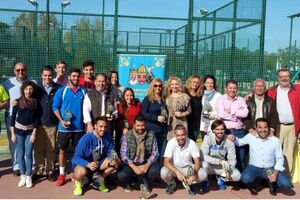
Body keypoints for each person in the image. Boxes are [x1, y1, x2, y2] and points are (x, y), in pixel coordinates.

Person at [228, 118, 292, 195]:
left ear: (268, 128)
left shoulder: (275, 140)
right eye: (260, 127)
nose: (263, 130)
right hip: (254, 167)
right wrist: (233, 138)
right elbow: (239, 142)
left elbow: (279, 158)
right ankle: (252, 186)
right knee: (245, 178)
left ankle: (271, 183)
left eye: (265, 127)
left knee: (286, 184)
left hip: (269, 169)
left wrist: (274, 174)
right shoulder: (251, 137)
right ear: (256, 128)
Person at [52, 68, 86, 186]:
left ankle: (75, 173)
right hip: (64, 128)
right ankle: (62, 174)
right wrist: (61, 120)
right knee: (62, 150)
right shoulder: (62, 91)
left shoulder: (83, 91)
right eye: (73, 76)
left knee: (78, 151)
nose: (76, 78)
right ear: (69, 77)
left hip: (79, 128)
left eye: (78, 76)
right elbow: (55, 107)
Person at [72, 117, 120, 196]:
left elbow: (111, 151)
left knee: (115, 162)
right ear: (95, 126)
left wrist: (114, 158)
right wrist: (88, 164)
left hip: (98, 163)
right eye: (100, 126)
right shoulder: (86, 139)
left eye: (105, 127)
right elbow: (76, 158)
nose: (103, 129)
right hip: (84, 164)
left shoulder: (107, 135)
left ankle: (98, 181)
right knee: (82, 172)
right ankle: (78, 183)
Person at [3, 62, 36, 176]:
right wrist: (8, 104)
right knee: (14, 142)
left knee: (30, 143)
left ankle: (31, 166)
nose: (20, 72)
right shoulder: (7, 83)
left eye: (22, 69)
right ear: (14, 71)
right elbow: (4, 100)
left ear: (26, 70)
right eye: (18, 70)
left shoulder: (33, 82)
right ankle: (16, 166)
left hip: (29, 119)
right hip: (12, 117)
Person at [266, 68, 300, 175]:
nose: (284, 79)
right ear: (278, 78)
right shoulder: (271, 91)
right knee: (272, 152)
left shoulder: (298, 89)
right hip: (276, 127)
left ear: (290, 77)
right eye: (282, 77)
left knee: (288, 153)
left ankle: (286, 177)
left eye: (287, 76)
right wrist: (250, 93)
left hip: (293, 126)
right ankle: (270, 176)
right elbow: (259, 91)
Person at [117, 116, 159, 195]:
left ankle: (145, 181)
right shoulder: (127, 135)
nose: (140, 128)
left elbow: (155, 152)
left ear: (145, 125)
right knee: (121, 175)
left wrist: (147, 165)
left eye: (142, 125)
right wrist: (134, 167)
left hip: (145, 161)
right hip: (132, 162)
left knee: (155, 171)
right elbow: (123, 154)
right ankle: (129, 182)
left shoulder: (151, 134)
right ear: (134, 125)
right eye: (138, 125)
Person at [161, 125, 207, 195]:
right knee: (163, 172)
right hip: (175, 167)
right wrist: (177, 172)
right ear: (175, 135)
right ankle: (172, 184)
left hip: (188, 168)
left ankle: (189, 183)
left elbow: (197, 161)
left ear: (186, 134)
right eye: (178, 135)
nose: (180, 137)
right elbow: (166, 162)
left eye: (183, 135)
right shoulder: (171, 142)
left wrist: (193, 174)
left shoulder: (192, 143)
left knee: (203, 174)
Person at [33, 66, 60, 182]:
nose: (47, 77)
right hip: (38, 123)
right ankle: (39, 171)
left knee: (51, 149)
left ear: (53, 76)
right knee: (38, 149)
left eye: (49, 75)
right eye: (45, 75)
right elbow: (27, 97)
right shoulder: (36, 89)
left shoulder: (58, 88)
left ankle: (50, 171)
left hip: (52, 124)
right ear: (41, 76)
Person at [216, 79, 249, 172]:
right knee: (225, 155)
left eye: (234, 88)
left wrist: (231, 111)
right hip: (226, 131)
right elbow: (221, 114)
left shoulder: (241, 99)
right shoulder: (220, 99)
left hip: (240, 131)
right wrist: (236, 116)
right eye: (230, 88)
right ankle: (225, 178)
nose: (232, 90)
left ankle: (239, 178)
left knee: (240, 156)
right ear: (226, 88)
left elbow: (245, 113)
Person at [10, 80, 38, 188]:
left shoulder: (35, 103)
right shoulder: (17, 102)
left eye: (30, 89)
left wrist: (34, 133)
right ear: (23, 90)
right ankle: (22, 175)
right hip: (18, 131)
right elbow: (12, 119)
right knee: (20, 154)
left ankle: (28, 176)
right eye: (26, 89)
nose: (28, 91)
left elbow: (36, 120)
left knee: (29, 153)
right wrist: (12, 133)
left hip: (30, 132)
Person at [201, 120, 241, 191]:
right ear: (213, 130)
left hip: (222, 167)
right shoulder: (208, 137)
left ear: (225, 130)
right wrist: (219, 161)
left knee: (237, 176)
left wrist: (228, 169)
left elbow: (232, 159)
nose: (220, 131)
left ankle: (221, 178)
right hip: (210, 166)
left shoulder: (229, 140)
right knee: (204, 164)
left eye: (222, 129)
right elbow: (203, 156)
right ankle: (205, 180)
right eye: (217, 129)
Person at [141, 78, 167, 156]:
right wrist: (156, 118)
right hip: (151, 130)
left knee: (161, 153)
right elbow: (143, 113)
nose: (157, 87)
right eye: (155, 86)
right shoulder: (148, 98)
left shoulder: (164, 99)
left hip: (162, 130)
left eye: (160, 86)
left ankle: (160, 167)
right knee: (151, 153)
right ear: (152, 86)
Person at [116, 88, 141, 154]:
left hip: (135, 131)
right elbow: (118, 120)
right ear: (124, 96)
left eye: (131, 95)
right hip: (122, 132)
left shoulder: (138, 105)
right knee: (122, 150)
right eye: (127, 95)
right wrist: (123, 129)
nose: (129, 97)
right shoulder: (119, 106)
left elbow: (140, 118)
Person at [185, 75, 203, 142]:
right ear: (190, 82)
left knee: (192, 144)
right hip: (185, 124)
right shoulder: (184, 93)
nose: (195, 84)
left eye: (197, 82)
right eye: (194, 82)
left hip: (196, 125)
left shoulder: (200, 96)